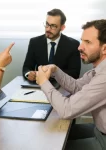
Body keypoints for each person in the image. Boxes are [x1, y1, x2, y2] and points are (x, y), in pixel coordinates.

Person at [36, 19, 106, 150]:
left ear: (104, 49)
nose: (80, 47)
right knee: (51, 134)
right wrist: (55, 70)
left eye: (88, 42)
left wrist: (43, 82)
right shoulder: (99, 70)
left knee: (49, 145)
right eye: (82, 41)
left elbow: (67, 110)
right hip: (99, 130)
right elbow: (77, 87)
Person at [23, 8, 81, 82]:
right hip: (39, 86)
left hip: (62, 87)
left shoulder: (73, 45)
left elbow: (74, 73)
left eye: (53, 26)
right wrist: (28, 74)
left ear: (62, 27)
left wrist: (50, 73)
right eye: (47, 24)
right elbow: (26, 67)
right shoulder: (34, 42)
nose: (48, 29)